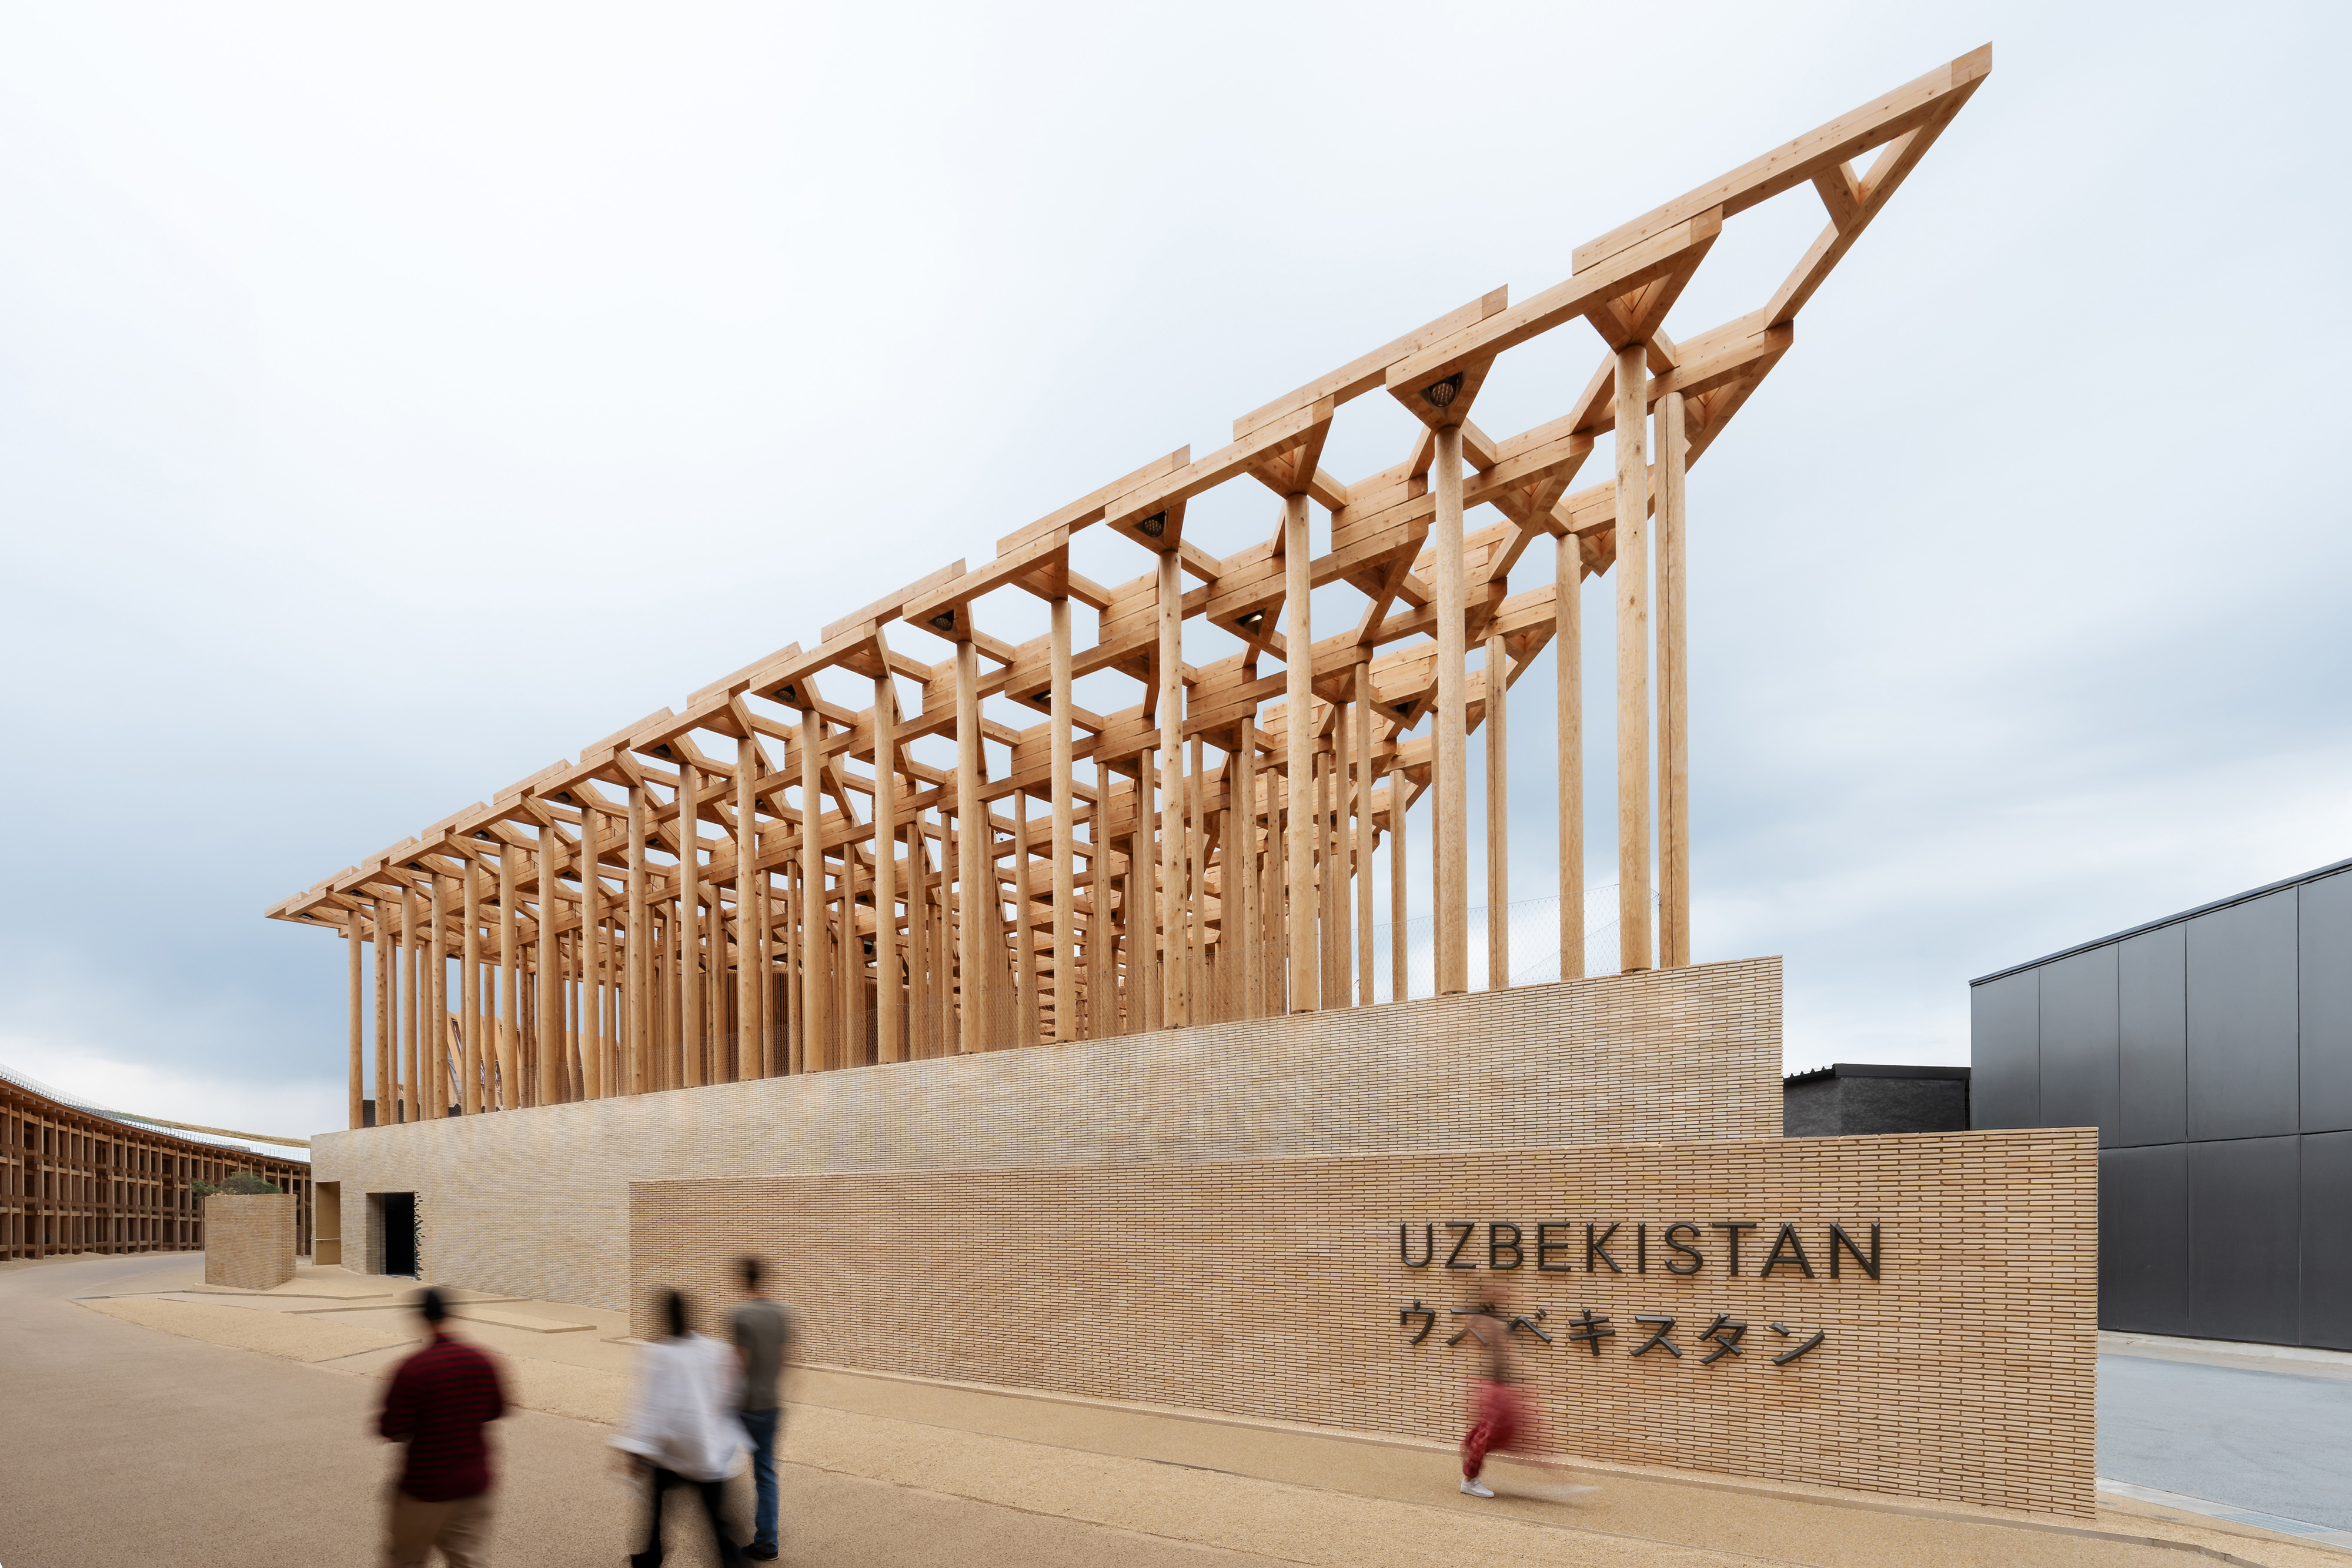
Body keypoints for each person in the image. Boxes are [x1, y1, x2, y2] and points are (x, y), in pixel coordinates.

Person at [613, 1287, 750, 1568]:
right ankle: (732, 1562)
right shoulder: (713, 1349)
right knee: (717, 1520)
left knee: (656, 1511)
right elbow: (735, 1388)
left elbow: (653, 1407)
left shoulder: (661, 1354)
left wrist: (636, 1450)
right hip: (707, 1451)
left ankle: (650, 1559)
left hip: (672, 1452)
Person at [376, 1285, 508, 1567]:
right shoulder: (483, 1361)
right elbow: (497, 1409)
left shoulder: (413, 1369)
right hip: (474, 1485)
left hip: (425, 1488)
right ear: (452, 1314)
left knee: (406, 1560)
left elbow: (390, 1428)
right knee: (469, 1562)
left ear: (421, 1318)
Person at [1455, 1286, 1594, 1503]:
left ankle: (1566, 1484)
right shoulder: (1488, 1323)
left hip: (1502, 1389)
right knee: (1499, 1437)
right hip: (1496, 1392)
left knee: (1527, 1437)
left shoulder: (1490, 1322)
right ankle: (1469, 1480)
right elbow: (1509, 1356)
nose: (1513, 1293)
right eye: (1506, 1291)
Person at [731, 1255, 793, 1561]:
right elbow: (786, 1358)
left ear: (743, 1280)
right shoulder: (782, 1312)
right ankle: (768, 1544)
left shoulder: (740, 1314)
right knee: (766, 1474)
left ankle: (721, 1534)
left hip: (743, 1406)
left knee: (716, 1468)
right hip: (771, 1404)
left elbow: (739, 1364)